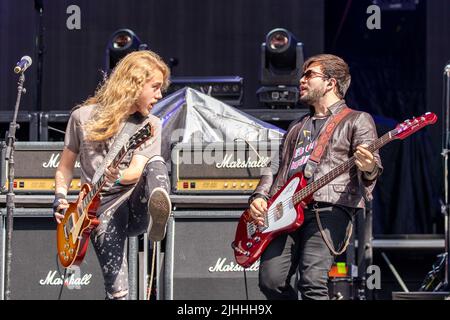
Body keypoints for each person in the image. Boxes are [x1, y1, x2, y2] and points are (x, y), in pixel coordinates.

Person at [248, 54, 382, 300]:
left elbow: (372, 170)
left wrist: (369, 165)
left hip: (328, 208)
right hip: (284, 210)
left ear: (331, 83)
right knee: (270, 280)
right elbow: (276, 167)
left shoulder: (357, 120)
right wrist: (259, 196)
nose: (301, 80)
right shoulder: (298, 126)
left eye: (309, 75)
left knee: (311, 282)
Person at [53, 50, 172, 300]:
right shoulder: (81, 117)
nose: (160, 95)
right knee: (118, 293)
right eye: (155, 87)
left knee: (156, 162)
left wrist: (116, 177)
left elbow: (136, 171)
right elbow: (65, 166)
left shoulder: (149, 125)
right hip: (96, 212)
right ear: (135, 83)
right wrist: (60, 197)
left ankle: (158, 205)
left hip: (131, 201)